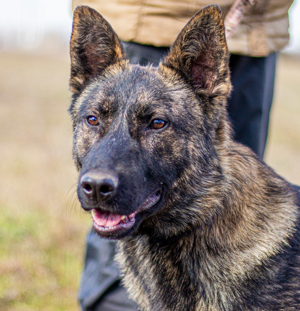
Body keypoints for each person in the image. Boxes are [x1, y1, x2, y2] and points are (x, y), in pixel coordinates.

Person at [71, 1, 294, 310]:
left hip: (259, 29)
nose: (100, 174)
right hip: (152, 17)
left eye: (156, 124)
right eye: (94, 121)